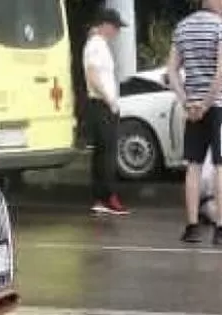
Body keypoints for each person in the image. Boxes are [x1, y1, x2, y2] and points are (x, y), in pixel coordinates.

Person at [167, 0, 222, 245]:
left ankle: (192, 226)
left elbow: (172, 71)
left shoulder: (182, 27)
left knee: (194, 165)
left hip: (193, 110)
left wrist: (188, 102)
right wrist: (207, 104)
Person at [83, 8, 129, 216]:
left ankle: (100, 198)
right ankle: (108, 197)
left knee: (103, 153)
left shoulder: (99, 44)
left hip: (103, 104)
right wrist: (109, 100)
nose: (117, 32)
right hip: (101, 104)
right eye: (115, 27)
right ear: (105, 25)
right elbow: (92, 75)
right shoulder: (95, 45)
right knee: (107, 154)